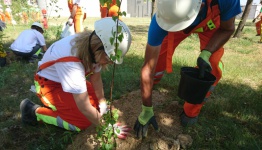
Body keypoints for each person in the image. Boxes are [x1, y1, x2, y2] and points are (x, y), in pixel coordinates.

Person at [133, 0, 241, 138]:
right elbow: (148, 67)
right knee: (157, 59)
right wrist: (146, 109)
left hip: (212, 24)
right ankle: (151, 84)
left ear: (201, 5)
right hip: (180, 20)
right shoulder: (164, 16)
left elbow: (227, 28)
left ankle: (191, 111)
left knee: (211, 65)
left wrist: (207, 52)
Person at [19, 18, 132, 138]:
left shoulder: (90, 46)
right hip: (49, 85)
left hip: (66, 80)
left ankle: (69, 108)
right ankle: (33, 111)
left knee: (95, 108)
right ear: (99, 48)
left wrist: (102, 103)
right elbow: (84, 107)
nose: (110, 63)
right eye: (109, 59)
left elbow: (96, 78)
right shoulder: (71, 63)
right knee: (85, 122)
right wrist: (107, 127)